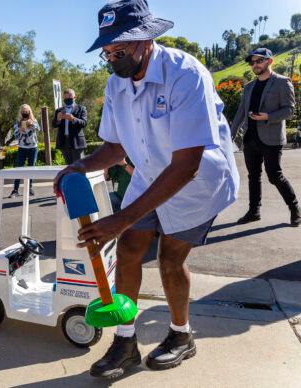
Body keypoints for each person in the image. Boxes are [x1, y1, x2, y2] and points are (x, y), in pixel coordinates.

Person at [54, 0, 239, 379]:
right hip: (150, 171)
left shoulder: (185, 74)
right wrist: (78, 165)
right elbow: (116, 146)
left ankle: (181, 335)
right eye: (106, 50)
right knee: (129, 248)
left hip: (196, 180)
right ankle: (125, 343)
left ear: (145, 40)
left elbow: (186, 163)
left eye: (119, 49)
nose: (111, 57)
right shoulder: (116, 83)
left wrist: (120, 218)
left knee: (171, 258)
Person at [230, 47, 300, 227]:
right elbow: (240, 113)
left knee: (274, 175)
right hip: (250, 138)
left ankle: (294, 208)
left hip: (271, 137)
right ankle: (254, 211)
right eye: (252, 62)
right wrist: (229, 136)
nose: (255, 65)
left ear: (270, 61)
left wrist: (268, 116)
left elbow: (290, 110)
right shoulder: (248, 87)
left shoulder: (282, 82)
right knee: (253, 176)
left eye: (259, 61)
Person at [9, 104, 40, 198]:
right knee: (19, 168)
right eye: (23, 111)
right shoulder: (18, 122)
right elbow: (16, 136)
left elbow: (39, 129)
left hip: (33, 148)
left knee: (31, 168)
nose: (25, 113)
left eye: (27, 111)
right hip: (22, 148)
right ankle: (15, 190)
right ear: (20, 112)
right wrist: (19, 130)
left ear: (30, 112)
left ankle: (30, 188)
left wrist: (32, 125)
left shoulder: (34, 121)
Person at [52, 88, 88, 164]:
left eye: (70, 98)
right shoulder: (59, 110)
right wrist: (58, 119)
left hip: (77, 142)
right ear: (63, 98)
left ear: (74, 97)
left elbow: (84, 123)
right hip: (64, 141)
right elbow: (54, 125)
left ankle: (80, 176)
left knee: (79, 166)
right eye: (66, 98)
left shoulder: (81, 109)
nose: (68, 99)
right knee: (68, 167)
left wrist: (73, 119)